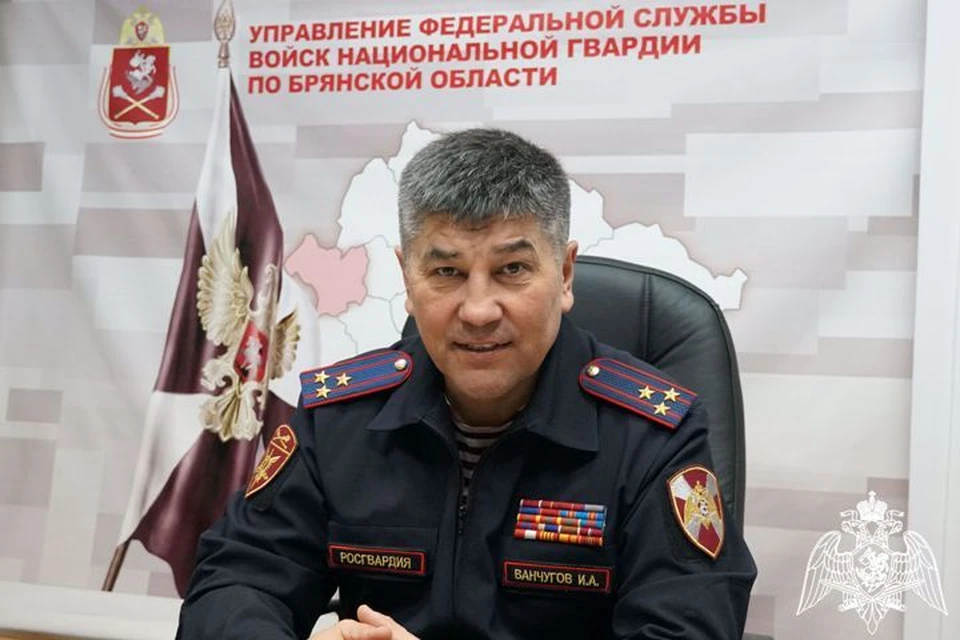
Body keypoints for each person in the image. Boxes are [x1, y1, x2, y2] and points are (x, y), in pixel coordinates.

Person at [177, 128, 758, 639]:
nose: (478, 310)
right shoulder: (339, 418)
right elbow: (234, 581)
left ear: (564, 274)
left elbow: (688, 628)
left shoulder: (653, 436)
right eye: (447, 272)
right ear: (408, 279)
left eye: (512, 269)